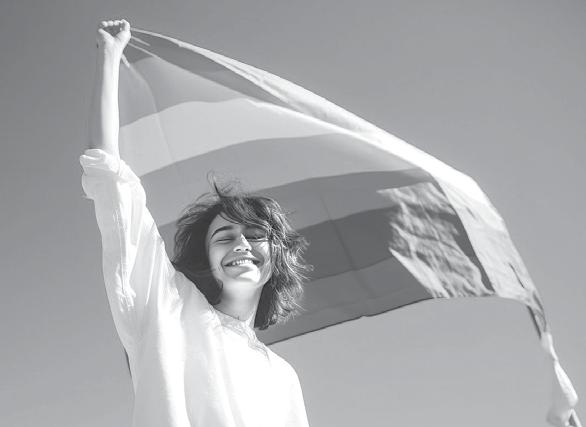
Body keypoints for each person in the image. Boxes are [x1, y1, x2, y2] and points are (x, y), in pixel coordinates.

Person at [81, 19, 311, 427]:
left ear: (277, 257)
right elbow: (113, 183)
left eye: (255, 234)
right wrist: (110, 57)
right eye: (224, 236)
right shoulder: (168, 307)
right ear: (206, 258)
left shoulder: (284, 377)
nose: (241, 243)